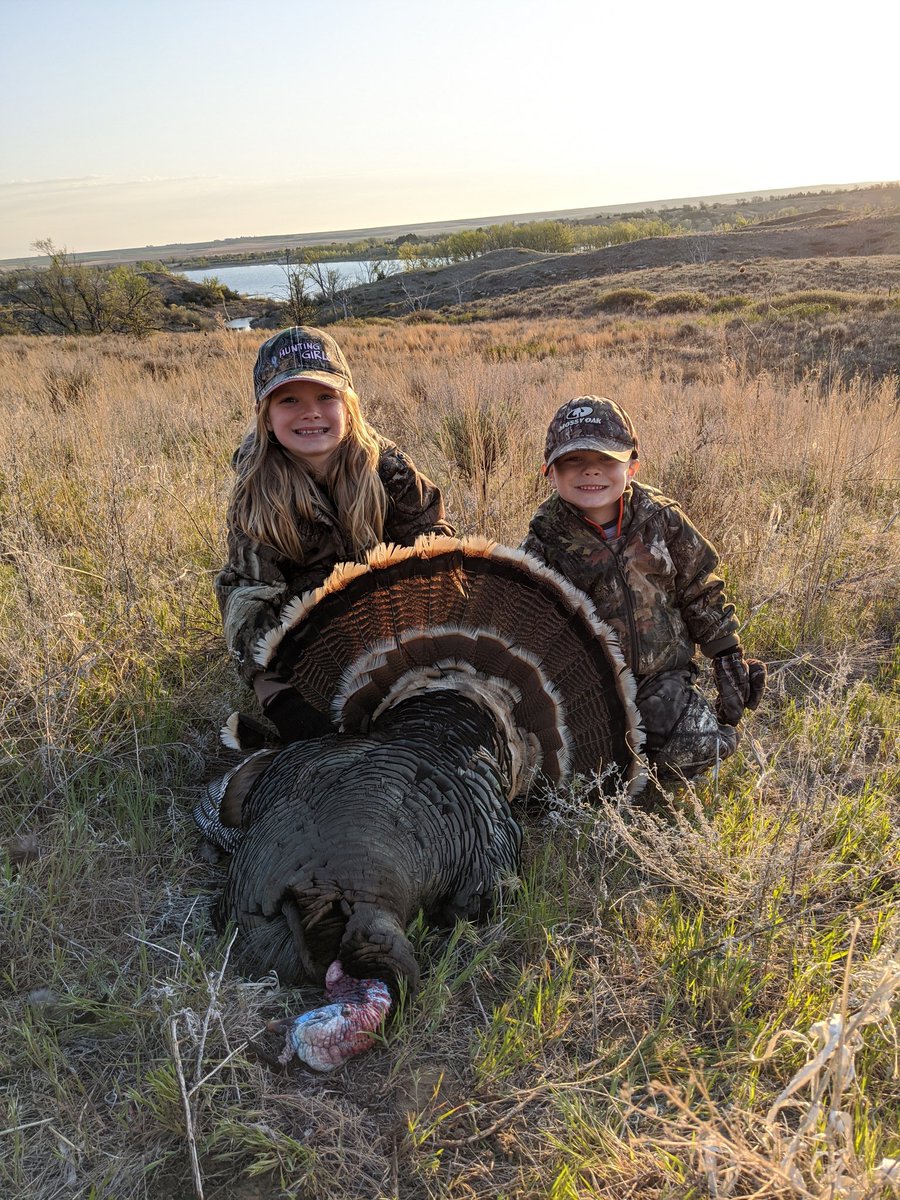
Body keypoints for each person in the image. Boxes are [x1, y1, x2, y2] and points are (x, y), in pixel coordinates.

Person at [216, 326, 453, 741]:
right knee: (322, 737)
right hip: (307, 651)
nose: (311, 412)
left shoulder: (388, 469)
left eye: (326, 397)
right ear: (266, 416)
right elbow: (248, 597)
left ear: (349, 406)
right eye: (290, 400)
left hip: (391, 627)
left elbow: (435, 546)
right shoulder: (255, 490)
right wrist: (281, 699)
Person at [521, 396, 766, 783]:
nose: (590, 471)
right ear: (549, 472)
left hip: (660, 678)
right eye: (573, 460)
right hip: (587, 687)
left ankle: (704, 725)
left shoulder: (661, 518)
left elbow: (699, 587)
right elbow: (529, 622)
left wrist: (726, 654)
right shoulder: (544, 538)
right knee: (582, 779)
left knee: (692, 749)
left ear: (632, 468)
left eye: (606, 459)